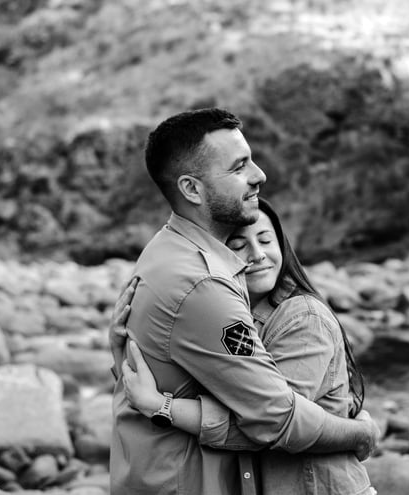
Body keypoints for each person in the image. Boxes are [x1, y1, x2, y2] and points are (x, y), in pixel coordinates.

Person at [109, 108, 380, 495]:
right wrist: (361, 434)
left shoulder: (163, 253)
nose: (259, 175)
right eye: (239, 167)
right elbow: (275, 419)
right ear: (192, 189)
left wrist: (157, 401)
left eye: (266, 240)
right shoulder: (203, 285)